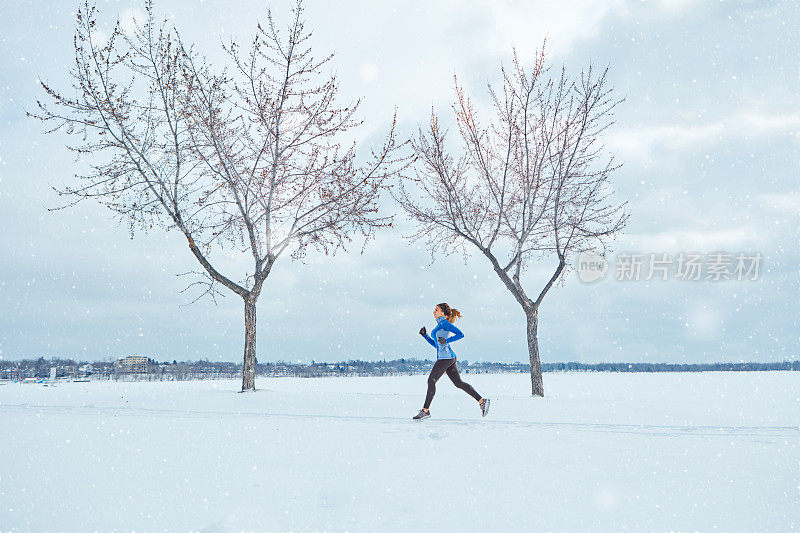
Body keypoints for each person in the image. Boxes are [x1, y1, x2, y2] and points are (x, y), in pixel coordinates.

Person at [412, 303, 489, 420]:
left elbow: (460, 334)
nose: (434, 312)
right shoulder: (439, 326)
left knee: (431, 380)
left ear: (443, 313)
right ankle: (482, 401)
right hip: (448, 357)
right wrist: (425, 335)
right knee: (458, 383)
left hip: (446, 358)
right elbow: (437, 345)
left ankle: (425, 411)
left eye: (436, 310)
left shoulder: (445, 325)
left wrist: (447, 340)